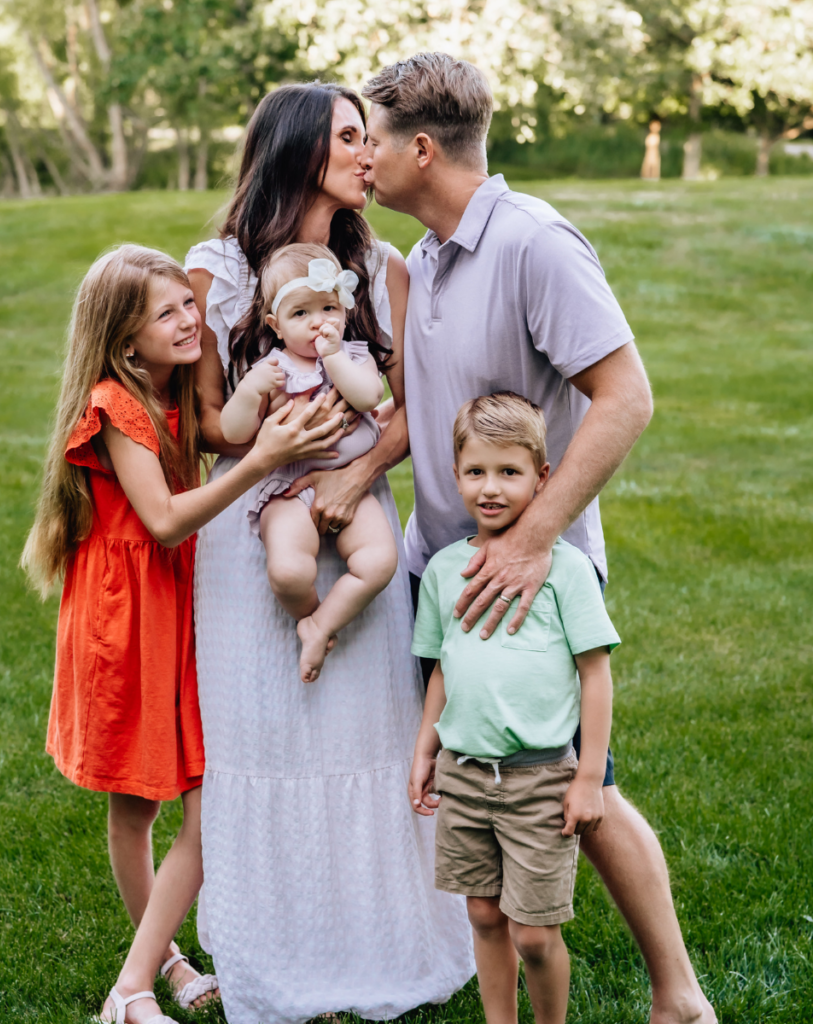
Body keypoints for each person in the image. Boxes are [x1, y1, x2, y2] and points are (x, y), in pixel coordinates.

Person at [359, 52, 716, 1024]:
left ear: (419, 149)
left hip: (530, 579)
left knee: (578, 785)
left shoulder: (533, 244)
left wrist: (532, 540)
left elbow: (626, 396)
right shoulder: (426, 257)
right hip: (451, 578)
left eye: (372, 138)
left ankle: (679, 996)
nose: (363, 159)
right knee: (493, 774)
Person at [185, 82, 474, 1024]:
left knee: (364, 732)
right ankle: (275, 945)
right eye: (351, 136)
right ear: (304, 149)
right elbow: (202, 428)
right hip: (254, 525)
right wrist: (274, 449)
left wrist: (350, 479)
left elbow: (409, 406)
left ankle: (376, 938)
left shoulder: (383, 264)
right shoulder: (218, 270)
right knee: (264, 736)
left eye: (370, 135)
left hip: (357, 517)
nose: (369, 151)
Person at [20, 244, 344, 1024]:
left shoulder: (171, 394)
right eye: (165, 313)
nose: (188, 318)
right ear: (124, 338)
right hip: (124, 619)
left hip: (172, 606)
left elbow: (223, 436)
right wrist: (263, 455)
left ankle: (137, 979)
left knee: (204, 799)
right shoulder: (116, 406)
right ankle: (154, 968)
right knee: (137, 805)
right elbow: (163, 521)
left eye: (187, 304)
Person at [410, 392, 620, 1024]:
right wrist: (426, 751)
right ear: (456, 476)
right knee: (481, 912)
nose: (491, 488)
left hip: (542, 780)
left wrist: (588, 777)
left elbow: (596, 674)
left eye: (509, 472)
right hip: (466, 775)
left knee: (533, 931)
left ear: (542, 476)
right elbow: (441, 667)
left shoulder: (566, 570)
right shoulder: (446, 570)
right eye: (476, 472)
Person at [221, 243, 397, 682]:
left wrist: (335, 357)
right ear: (275, 326)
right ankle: (307, 612)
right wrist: (248, 392)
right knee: (289, 569)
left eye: (328, 308)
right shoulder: (273, 368)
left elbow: (368, 397)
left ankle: (322, 625)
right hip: (288, 489)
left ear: (345, 310)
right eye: (301, 314)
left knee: (379, 562)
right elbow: (234, 432)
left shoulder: (354, 357)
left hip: (350, 483)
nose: (319, 322)